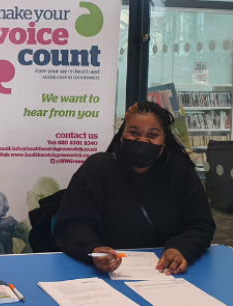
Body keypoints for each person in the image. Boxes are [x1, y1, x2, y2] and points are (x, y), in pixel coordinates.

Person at [54, 101, 215, 275]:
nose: (142, 141)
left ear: (164, 140)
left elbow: (201, 224)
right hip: (103, 274)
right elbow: (73, 223)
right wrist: (94, 249)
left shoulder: (180, 171)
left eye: (152, 135)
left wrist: (181, 249)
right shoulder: (98, 168)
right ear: (122, 135)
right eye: (134, 133)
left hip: (163, 273)